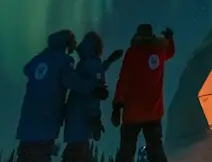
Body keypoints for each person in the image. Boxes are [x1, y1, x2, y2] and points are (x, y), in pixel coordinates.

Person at [15, 29, 85, 162]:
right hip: (45, 126)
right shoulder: (64, 60)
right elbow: (73, 82)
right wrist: (92, 86)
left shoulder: (38, 60)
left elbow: (27, 69)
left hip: (26, 128)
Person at [111, 24, 175, 162]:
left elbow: (123, 79)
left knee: (126, 150)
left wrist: (116, 104)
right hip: (154, 111)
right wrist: (169, 39)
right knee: (156, 149)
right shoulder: (159, 51)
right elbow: (170, 53)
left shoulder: (133, 53)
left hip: (133, 112)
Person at [62, 32, 124, 162]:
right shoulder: (92, 64)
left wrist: (109, 61)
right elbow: (94, 91)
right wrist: (95, 119)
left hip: (74, 119)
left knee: (74, 152)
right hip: (82, 121)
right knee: (79, 153)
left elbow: (95, 75)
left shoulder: (84, 64)